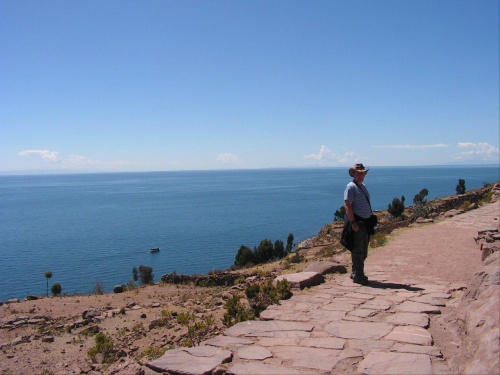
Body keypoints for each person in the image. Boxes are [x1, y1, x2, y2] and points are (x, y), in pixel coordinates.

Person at [344, 163, 372, 285]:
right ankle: (359, 276)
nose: (360, 176)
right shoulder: (350, 187)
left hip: (365, 223)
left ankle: (355, 272)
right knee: (358, 250)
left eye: (362, 174)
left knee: (363, 251)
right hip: (358, 223)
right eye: (358, 174)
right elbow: (347, 205)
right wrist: (353, 222)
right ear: (354, 174)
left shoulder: (363, 186)